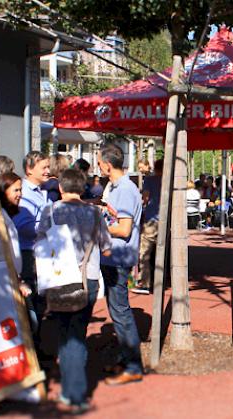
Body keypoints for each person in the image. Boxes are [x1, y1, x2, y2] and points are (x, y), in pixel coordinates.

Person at [37, 169, 112, 414]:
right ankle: (75, 394)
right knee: (77, 334)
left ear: (60, 188)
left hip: (59, 279)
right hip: (86, 280)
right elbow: (107, 248)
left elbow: (40, 243)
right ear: (84, 188)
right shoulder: (94, 212)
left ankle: (73, 393)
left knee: (63, 332)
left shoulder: (49, 211)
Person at [96, 142, 144, 386]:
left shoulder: (124, 188)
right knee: (117, 311)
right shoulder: (116, 187)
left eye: (99, 162)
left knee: (121, 311)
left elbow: (124, 229)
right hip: (112, 256)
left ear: (106, 165)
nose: (98, 166)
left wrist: (98, 227)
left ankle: (134, 366)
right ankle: (126, 359)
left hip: (118, 257)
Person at [13, 151, 51, 331]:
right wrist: (50, 229)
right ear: (29, 169)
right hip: (29, 255)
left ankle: (37, 344)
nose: (47, 171)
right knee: (32, 304)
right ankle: (33, 348)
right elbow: (24, 227)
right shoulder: (26, 193)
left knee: (39, 302)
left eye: (48, 167)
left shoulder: (38, 191)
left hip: (38, 253)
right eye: (44, 167)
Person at [133, 159, 163, 294]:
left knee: (145, 252)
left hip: (152, 219)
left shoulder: (150, 180)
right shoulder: (171, 181)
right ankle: (162, 280)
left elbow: (145, 198)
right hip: (166, 220)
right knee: (162, 252)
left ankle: (145, 282)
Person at [0, 172, 23, 274]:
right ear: (4, 191)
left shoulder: (10, 212)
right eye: (16, 190)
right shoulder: (0, 216)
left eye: (20, 190)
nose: (20, 194)